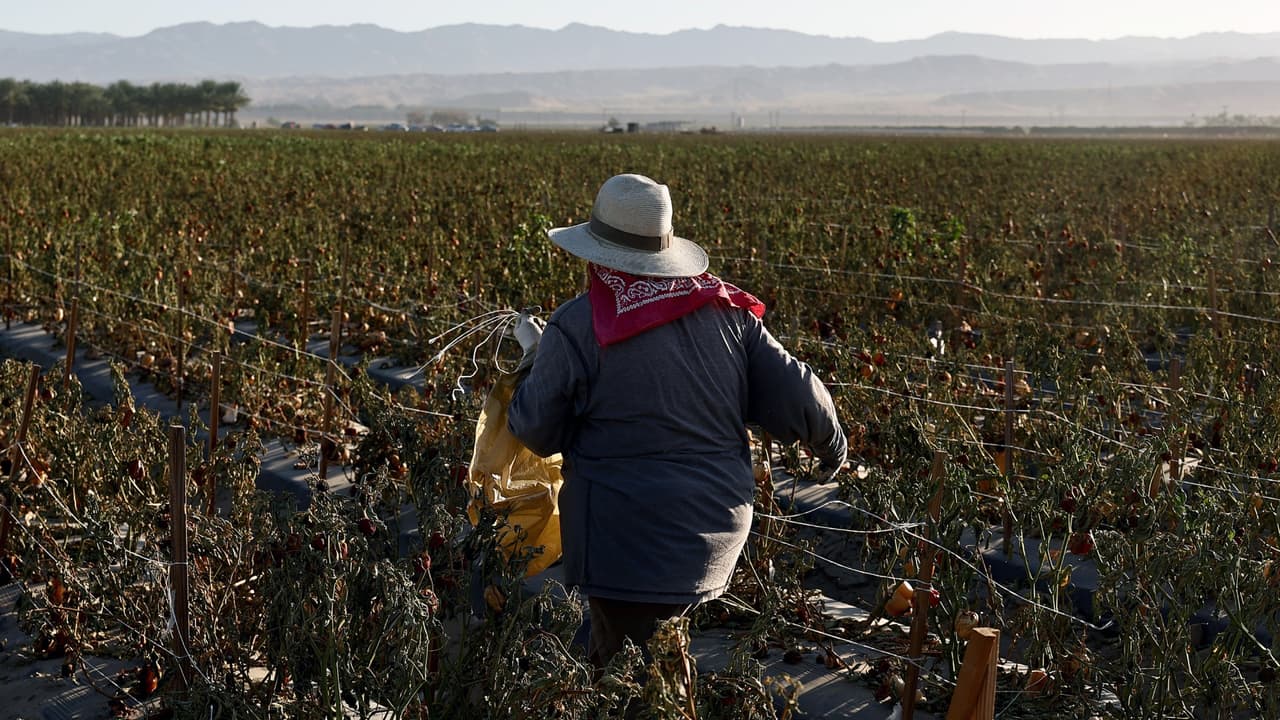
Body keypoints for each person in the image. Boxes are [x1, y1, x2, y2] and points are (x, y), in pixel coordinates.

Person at [507, 173, 847, 669]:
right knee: (656, 651)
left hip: (624, 543)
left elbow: (536, 429)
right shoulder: (728, 311)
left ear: (595, 254)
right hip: (716, 533)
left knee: (621, 672)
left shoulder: (578, 325)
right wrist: (832, 451)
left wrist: (535, 360)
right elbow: (801, 393)